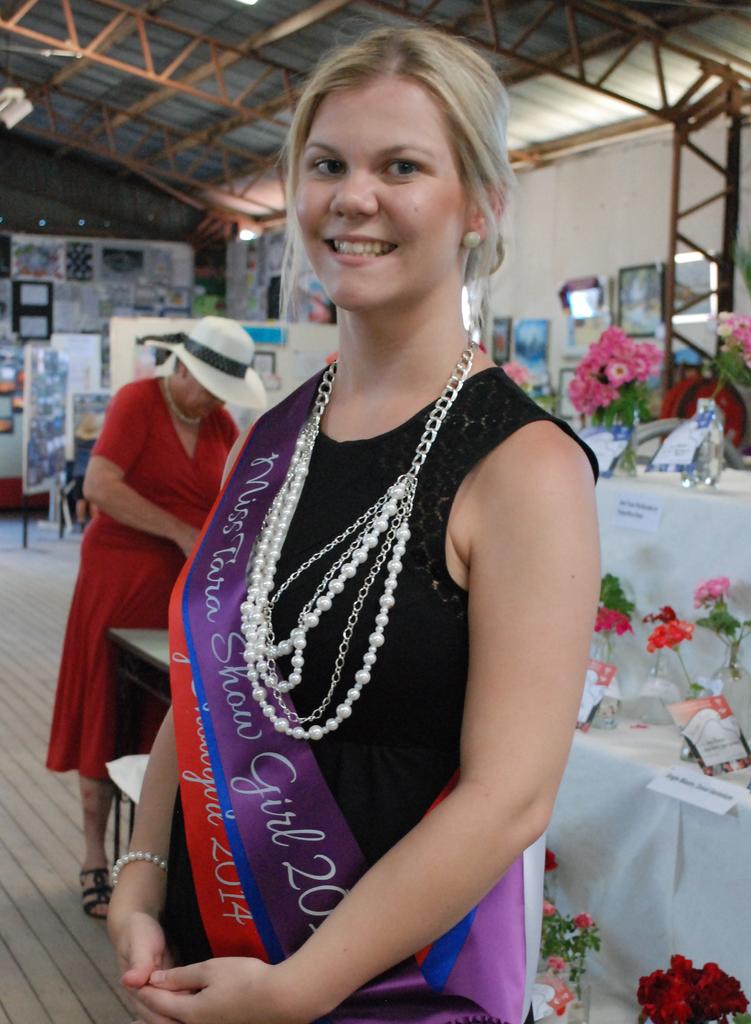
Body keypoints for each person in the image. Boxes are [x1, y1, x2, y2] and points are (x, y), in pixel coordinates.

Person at [107, 27, 600, 1024]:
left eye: (401, 166)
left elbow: (510, 799)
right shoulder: (269, 442)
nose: (354, 197)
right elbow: (209, 680)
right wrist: (140, 874)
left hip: (386, 992)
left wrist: (295, 993)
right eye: (327, 164)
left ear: (481, 203)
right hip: (217, 974)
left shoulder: (524, 469)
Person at [47, 316, 266, 918]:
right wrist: (178, 531)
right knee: (104, 714)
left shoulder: (220, 423)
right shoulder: (137, 403)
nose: (220, 398)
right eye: (213, 384)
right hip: (118, 580)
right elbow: (100, 484)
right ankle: (95, 856)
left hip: (182, 594)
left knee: (165, 725)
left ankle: (148, 865)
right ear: (185, 370)